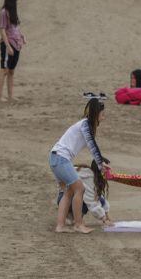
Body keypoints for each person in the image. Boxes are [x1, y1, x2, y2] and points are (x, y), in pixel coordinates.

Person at [50, 99, 110, 234]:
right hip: (60, 158)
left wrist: (101, 163)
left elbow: (92, 146)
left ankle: (60, 226)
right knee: (80, 189)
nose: (104, 117)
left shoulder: (84, 125)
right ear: (96, 114)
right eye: (102, 114)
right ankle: (78, 224)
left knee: (69, 191)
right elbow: (92, 146)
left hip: (55, 158)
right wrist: (101, 164)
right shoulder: (85, 125)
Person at [56, 160, 112, 227]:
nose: (109, 171)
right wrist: (104, 219)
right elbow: (92, 202)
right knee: (86, 198)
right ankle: (70, 217)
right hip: (67, 200)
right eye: (107, 168)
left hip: (63, 198)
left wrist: (107, 215)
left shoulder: (89, 173)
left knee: (96, 198)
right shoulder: (89, 178)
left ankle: (70, 217)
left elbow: (100, 198)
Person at [0, 0, 26, 102]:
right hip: (7, 44)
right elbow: (2, 30)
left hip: (16, 44)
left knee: (11, 71)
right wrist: (7, 46)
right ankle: (0, 96)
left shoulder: (13, 12)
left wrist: (22, 36)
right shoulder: (4, 12)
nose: (16, 3)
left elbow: (15, 28)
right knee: (4, 70)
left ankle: (10, 95)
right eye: (15, 0)